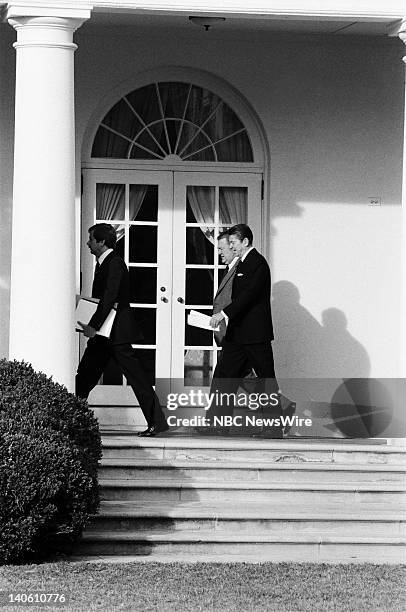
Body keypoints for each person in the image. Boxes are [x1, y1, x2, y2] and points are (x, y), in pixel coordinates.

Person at [76, 223, 168, 437]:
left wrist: (92, 325)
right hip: (104, 335)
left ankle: (157, 422)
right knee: (85, 376)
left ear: (101, 242)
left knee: (137, 379)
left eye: (91, 239)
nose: (88, 243)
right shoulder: (104, 263)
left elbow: (110, 297)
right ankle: (69, 419)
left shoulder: (115, 263)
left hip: (116, 334)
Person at [209, 223, 283, 437]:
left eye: (233, 243)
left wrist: (223, 314)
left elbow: (248, 296)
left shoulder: (257, 263)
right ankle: (219, 424)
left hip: (255, 335)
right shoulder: (242, 263)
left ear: (245, 242)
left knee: (265, 378)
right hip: (238, 334)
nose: (231, 247)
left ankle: (274, 426)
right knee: (225, 376)